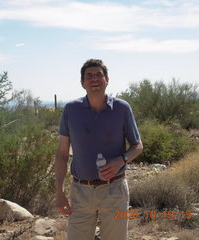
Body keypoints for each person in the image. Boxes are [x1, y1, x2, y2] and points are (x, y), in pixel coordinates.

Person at [55, 59, 143, 240]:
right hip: (80, 191)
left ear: (107, 80)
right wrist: (59, 192)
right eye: (89, 76)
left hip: (114, 190)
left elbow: (137, 146)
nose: (94, 79)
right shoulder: (71, 110)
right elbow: (62, 153)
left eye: (98, 75)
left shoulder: (121, 108)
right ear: (82, 83)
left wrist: (121, 160)